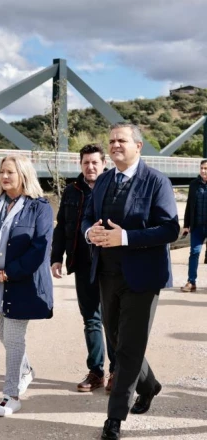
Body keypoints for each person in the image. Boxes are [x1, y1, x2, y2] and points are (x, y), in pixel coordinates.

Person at [82, 122, 179, 440]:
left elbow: (169, 229)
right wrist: (90, 232)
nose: (114, 145)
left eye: (121, 140)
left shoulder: (156, 182)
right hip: (106, 274)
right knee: (117, 344)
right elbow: (87, 216)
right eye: (110, 141)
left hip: (143, 277)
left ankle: (114, 419)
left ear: (139, 146)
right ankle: (150, 385)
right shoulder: (104, 180)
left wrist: (125, 237)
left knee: (128, 348)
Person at [0, 154, 53, 417]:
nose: (5, 177)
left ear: (23, 175)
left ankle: (10, 395)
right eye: (2, 171)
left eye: (10, 173)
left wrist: (6, 274)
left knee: (14, 339)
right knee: (2, 334)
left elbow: (39, 249)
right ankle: (25, 370)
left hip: (20, 284)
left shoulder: (40, 207)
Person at [51, 144, 116, 393]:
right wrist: (56, 257)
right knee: (91, 319)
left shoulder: (113, 188)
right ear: (81, 165)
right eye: (86, 162)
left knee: (112, 320)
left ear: (103, 164)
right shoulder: (71, 191)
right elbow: (61, 226)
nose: (90, 167)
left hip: (109, 264)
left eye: (95, 163)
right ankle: (96, 372)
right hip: (82, 263)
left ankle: (116, 372)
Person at [180, 159, 207, 292]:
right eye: (201, 168)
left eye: (206, 168)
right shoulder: (194, 185)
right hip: (197, 226)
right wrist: (186, 225)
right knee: (194, 253)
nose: (203, 170)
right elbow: (189, 206)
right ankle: (191, 282)